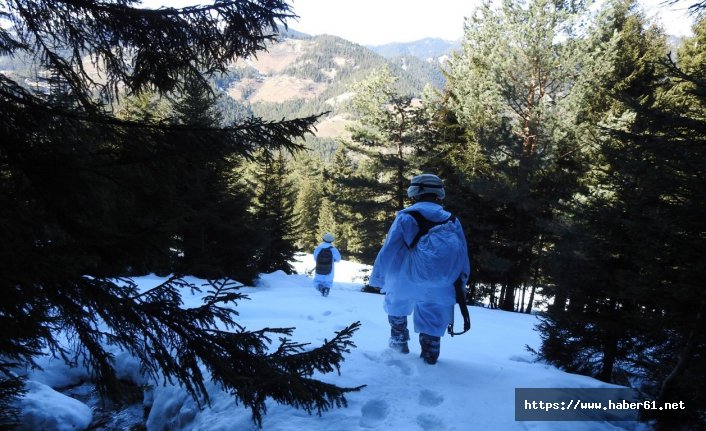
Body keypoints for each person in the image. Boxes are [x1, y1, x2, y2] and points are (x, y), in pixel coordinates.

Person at [368, 174, 470, 364]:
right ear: (439, 193)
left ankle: (398, 347)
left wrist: (378, 279)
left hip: (404, 278)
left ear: (415, 192)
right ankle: (429, 358)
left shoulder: (406, 218)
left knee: (397, 306)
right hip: (441, 282)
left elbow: (389, 249)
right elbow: (462, 255)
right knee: (432, 318)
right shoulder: (453, 221)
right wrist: (461, 282)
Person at [313, 232, 341, 297]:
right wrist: (333, 260)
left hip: (319, 267)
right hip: (329, 268)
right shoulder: (333, 249)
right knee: (328, 280)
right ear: (332, 240)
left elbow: (315, 257)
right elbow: (338, 259)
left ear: (323, 239)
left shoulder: (318, 248)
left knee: (317, 280)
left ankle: (320, 288)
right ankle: (326, 289)